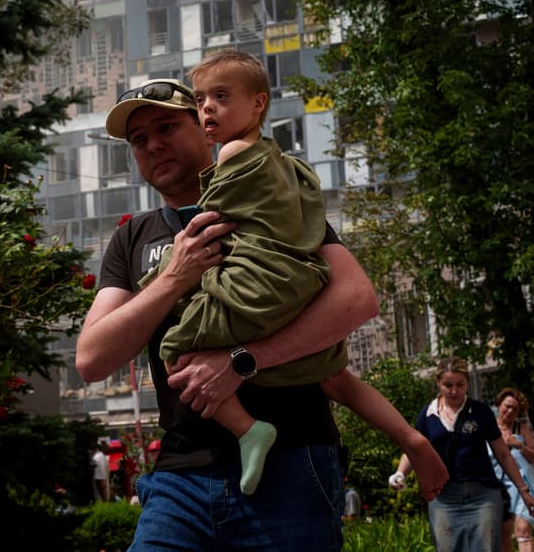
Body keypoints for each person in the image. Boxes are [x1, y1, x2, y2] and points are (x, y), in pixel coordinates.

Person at [77, 76, 378, 550]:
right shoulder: (131, 238)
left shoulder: (268, 201)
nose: (153, 145)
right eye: (139, 140)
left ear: (204, 125)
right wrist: (175, 276)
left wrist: (242, 361)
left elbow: (357, 299)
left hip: (290, 460)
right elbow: (92, 359)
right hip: (180, 476)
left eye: (165, 127)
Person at [144, 50, 448, 496]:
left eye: (221, 97)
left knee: (174, 346)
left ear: (259, 104)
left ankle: (249, 430)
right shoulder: (281, 165)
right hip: (299, 281)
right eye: (202, 100)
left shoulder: (231, 155)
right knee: (333, 371)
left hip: (257, 286)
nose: (208, 108)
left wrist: (165, 275)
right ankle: (412, 437)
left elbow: (214, 229)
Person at [390, 357, 534, 552]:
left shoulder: (480, 412)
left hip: (482, 496)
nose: (454, 391)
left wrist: (523, 490)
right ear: (438, 384)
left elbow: (503, 454)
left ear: (467, 383)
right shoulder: (427, 415)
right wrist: (400, 473)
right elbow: (413, 450)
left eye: (460, 385)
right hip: (444, 498)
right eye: (448, 385)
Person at [488, 388, 534, 552]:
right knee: (504, 537)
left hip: (523, 485)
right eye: (507, 406)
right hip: (497, 486)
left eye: (515, 409)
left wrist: (520, 445)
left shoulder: (521, 429)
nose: (510, 411)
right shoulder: (488, 428)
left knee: (523, 530)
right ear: (499, 404)